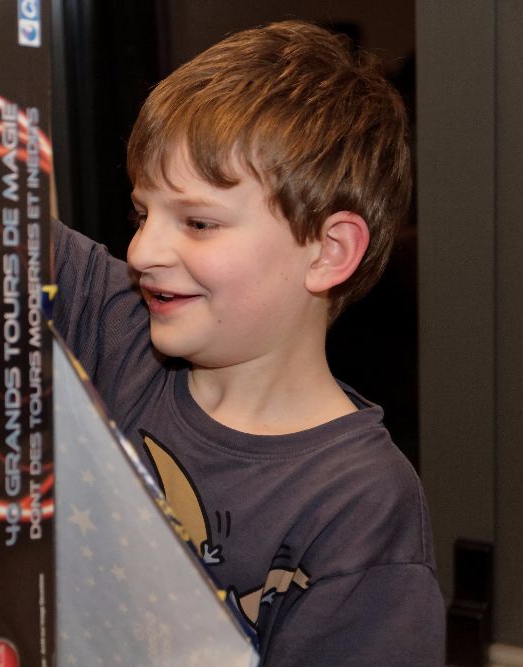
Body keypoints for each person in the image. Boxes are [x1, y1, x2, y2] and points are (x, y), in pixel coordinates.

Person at [52, 20, 445, 665]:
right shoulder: (120, 335)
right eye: (142, 214)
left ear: (328, 251)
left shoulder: (362, 508)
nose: (142, 251)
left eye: (198, 222)